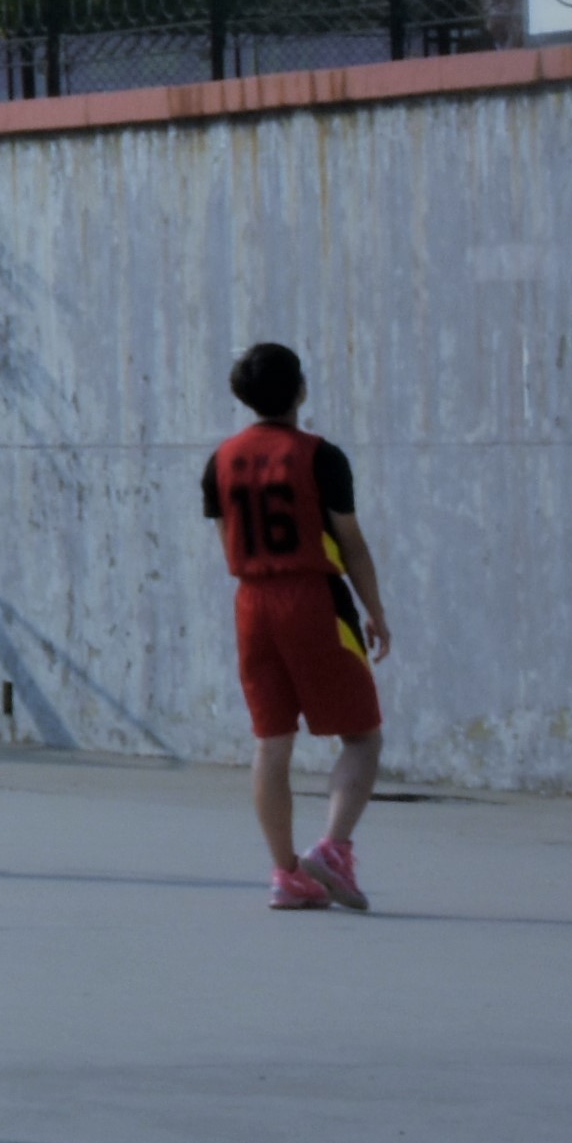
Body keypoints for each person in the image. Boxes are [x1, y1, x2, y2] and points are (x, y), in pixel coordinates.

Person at [205, 342, 391, 913]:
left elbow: (227, 542)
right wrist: (375, 610)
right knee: (362, 736)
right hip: (311, 598)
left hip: (251, 602)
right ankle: (333, 850)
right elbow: (350, 542)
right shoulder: (320, 456)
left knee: (271, 741)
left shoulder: (220, 461)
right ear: (301, 390)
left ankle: (286, 873)